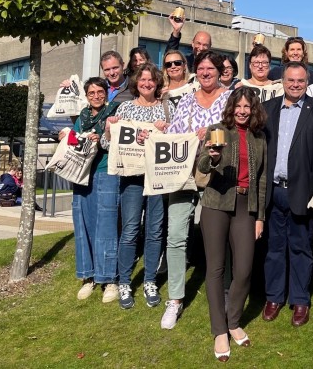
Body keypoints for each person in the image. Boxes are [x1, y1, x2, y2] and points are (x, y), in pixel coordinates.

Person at [261, 61, 313, 327]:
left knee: (301, 248)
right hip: (272, 191)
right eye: (291, 80)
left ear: (307, 83)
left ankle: (300, 300)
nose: (295, 85)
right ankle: (274, 297)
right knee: (274, 248)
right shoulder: (267, 109)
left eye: (301, 81)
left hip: (301, 191)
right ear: (282, 81)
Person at [162, 50, 232, 329]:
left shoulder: (230, 98)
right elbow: (174, 133)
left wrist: (213, 130)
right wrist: (155, 132)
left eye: (210, 69)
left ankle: (224, 293)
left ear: (219, 71)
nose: (205, 73)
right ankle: (175, 299)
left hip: (214, 177)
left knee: (217, 238)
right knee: (176, 235)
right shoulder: (188, 98)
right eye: (201, 69)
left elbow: (235, 131)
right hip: (182, 175)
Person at [198, 87, 268, 362]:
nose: (242, 111)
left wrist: (260, 216)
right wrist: (212, 158)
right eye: (238, 106)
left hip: (245, 207)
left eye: (247, 107)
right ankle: (220, 330)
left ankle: (233, 320)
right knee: (215, 268)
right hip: (216, 204)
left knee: (243, 269)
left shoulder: (259, 138)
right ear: (231, 107)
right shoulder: (217, 130)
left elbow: (261, 179)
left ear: (253, 110)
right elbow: (202, 165)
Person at [102, 64, 172, 311]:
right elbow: (106, 144)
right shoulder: (126, 107)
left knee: (154, 231)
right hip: (131, 180)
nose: (146, 83)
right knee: (130, 230)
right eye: (142, 79)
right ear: (136, 82)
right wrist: (110, 129)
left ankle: (150, 280)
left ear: (157, 83)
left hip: (157, 178)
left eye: (151, 80)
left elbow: (174, 143)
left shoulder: (167, 108)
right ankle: (124, 282)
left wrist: (163, 131)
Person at [60, 77, 120, 303]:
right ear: (86, 96)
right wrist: (66, 136)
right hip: (81, 173)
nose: (96, 96)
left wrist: (103, 135)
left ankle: (109, 279)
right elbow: (74, 139)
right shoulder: (83, 116)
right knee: (83, 224)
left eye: (100, 91)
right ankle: (89, 277)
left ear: (106, 93)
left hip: (105, 171)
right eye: (91, 93)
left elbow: (117, 141)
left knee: (106, 225)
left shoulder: (114, 112)